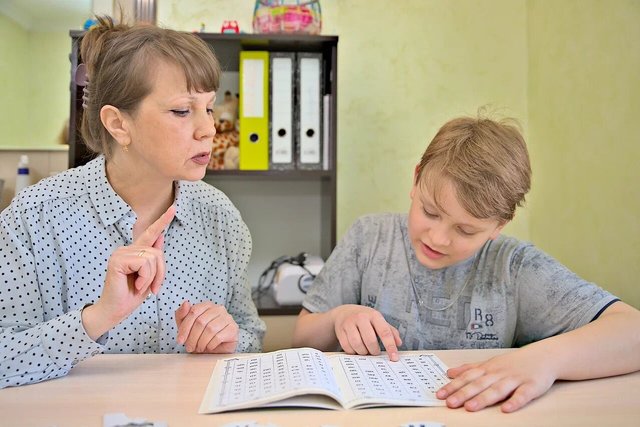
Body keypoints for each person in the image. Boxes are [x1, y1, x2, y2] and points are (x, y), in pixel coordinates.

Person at [292, 114, 640, 412]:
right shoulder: (369, 238)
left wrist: (543, 359)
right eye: (430, 211)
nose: (438, 239)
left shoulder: (513, 267)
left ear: (498, 225)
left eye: (466, 229)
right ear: (416, 179)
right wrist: (339, 317)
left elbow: (631, 330)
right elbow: (301, 337)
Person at [0, 16, 265, 388]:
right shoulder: (34, 218)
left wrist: (230, 339)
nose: (208, 129)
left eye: (208, 107)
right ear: (119, 124)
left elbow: (251, 335)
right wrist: (98, 317)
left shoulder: (220, 217)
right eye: (182, 110)